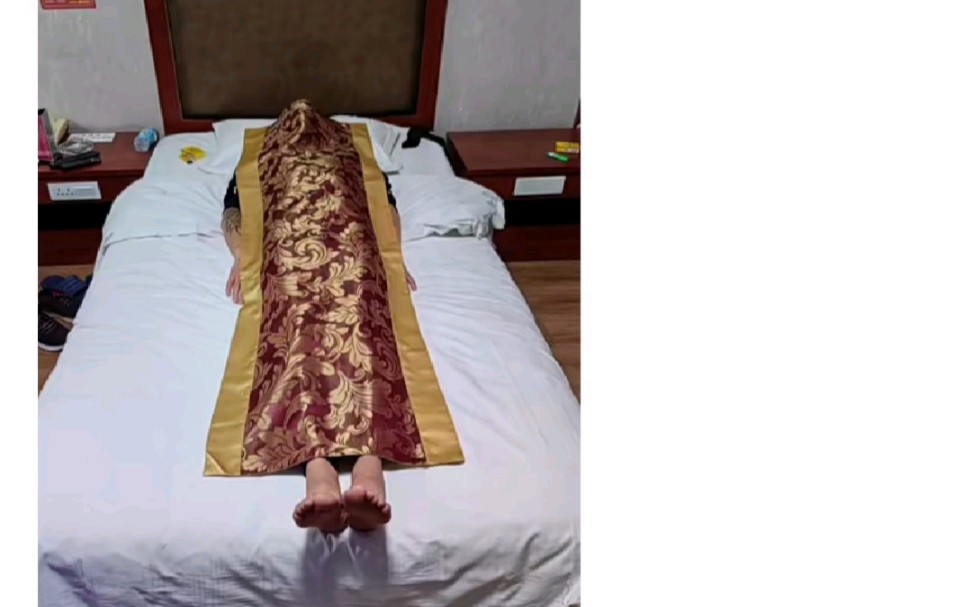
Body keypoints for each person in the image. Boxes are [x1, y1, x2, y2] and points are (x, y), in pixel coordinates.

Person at [220, 171, 414, 534]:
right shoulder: (259, 153)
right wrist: (242, 254)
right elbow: (234, 208)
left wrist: (392, 254)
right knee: (296, 322)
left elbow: (383, 201)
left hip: (350, 239)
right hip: (287, 241)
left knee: (362, 313)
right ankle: (318, 469)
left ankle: (368, 468)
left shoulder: (357, 150)